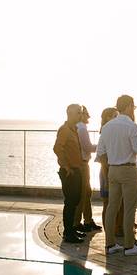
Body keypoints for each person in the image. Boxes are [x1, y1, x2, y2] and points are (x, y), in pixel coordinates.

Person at [99, 95, 137, 257]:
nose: (134, 110)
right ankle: (129, 245)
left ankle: (110, 244)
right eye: (133, 107)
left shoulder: (107, 127)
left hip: (112, 170)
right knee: (129, 209)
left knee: (112, 207)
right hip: (128, 170)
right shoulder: (131, 126)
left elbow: (100, 153)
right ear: (128, 106)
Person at [53, 104, 86, 244]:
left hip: (76, 170)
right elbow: (57, 148)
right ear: (69, 113)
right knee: (70, 202)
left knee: (75, 201)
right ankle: (68, 233)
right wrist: (66, 166)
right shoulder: (65, 130)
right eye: (78, 113)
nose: (80, 115)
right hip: (69, 172)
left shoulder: (74, 130)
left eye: (80, 112)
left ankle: (71, 229)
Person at [75, 106, 101, 232]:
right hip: (83, 164)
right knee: (83, 194)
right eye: (86, 114)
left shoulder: (79, 127)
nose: (88, 117)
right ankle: (80, 222)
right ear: (81, 115)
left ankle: (87, 220)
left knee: (86, 193)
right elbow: (88, 147)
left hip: (83, 163)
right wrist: (103, 146)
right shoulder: (82, 128)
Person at [97, 107, 119, 234]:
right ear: (107, 118)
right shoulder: (106, 133)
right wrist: (106, 177)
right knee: (107, 203)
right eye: (114, 116)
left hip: (109, 171)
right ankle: (109, 232)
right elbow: (103, 158)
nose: (117, 119)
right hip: (106, 171)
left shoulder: (111, 132)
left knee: (112, 204)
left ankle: (114, 230)